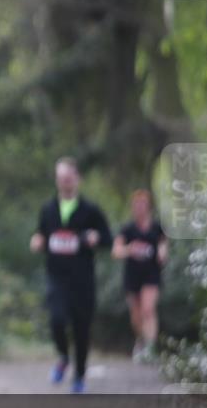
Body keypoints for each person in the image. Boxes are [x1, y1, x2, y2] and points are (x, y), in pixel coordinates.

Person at [29, 157, 112, 393]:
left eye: (68, 178)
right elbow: (42, 236)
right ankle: (64, 357)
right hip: (56, 276)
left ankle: (79, 375)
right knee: (56, 320)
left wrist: (96, 239)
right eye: (60, 179)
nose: (64, 183)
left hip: (82, 279)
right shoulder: (48, 209)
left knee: (81, 327)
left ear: (77, 179)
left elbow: (108, 239)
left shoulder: (90, 210)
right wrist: (37, 241)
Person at [112, 189, 168, 362]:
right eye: (136, 205)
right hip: (132, 275)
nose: (140, 208)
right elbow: (116, 251)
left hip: (151, 274)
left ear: (149, 207)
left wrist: (162, 253)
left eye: (143, 205)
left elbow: (164, 245)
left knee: (148, 309)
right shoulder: (128, 229)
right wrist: (129, 249)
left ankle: (150, 348)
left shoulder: (157, 227)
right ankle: (141, 340)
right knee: (136, 315)